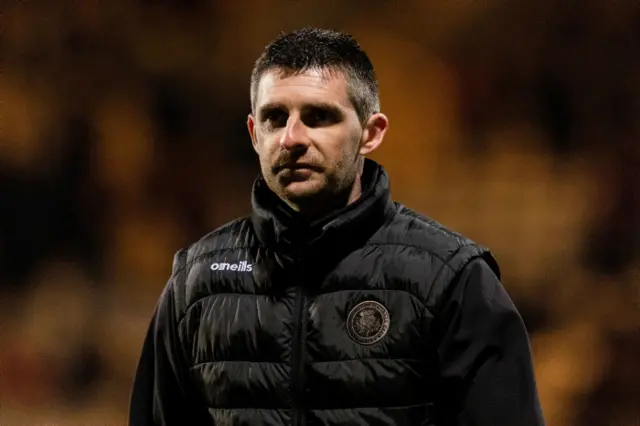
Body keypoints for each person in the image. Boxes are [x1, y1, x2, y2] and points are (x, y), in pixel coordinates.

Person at [129, 27, 545, 426]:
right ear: (254, 134)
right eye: (275, 118)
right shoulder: (196, 282)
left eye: (318, 116)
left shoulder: (451, 278)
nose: (292, 137)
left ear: (371, 133)